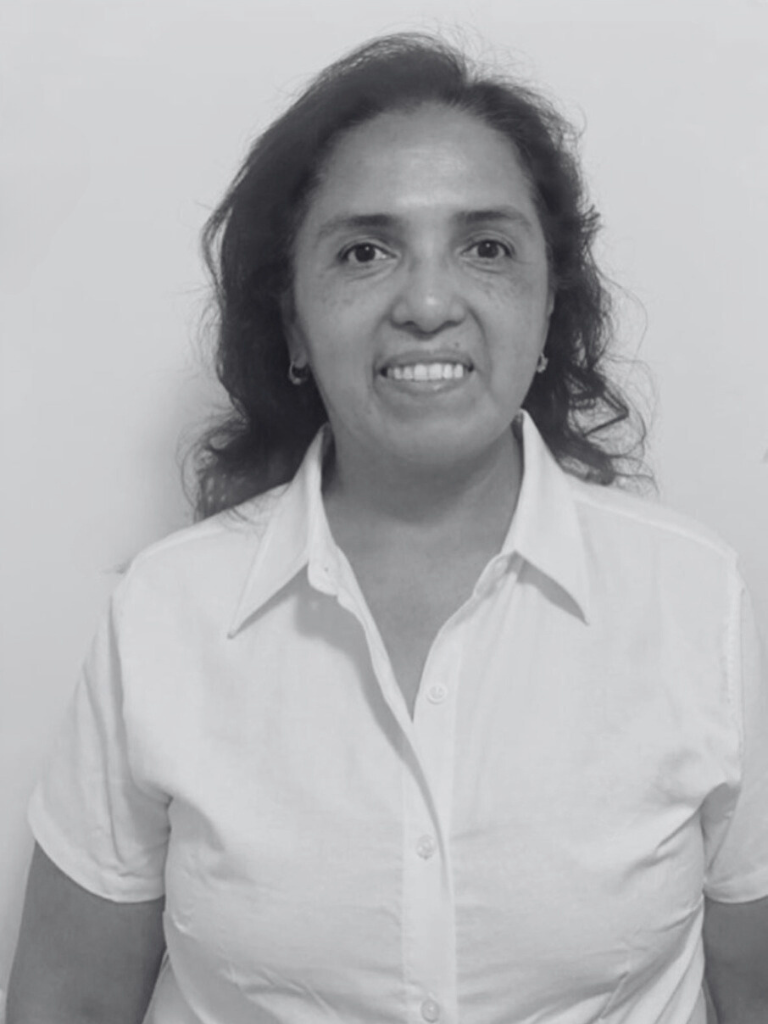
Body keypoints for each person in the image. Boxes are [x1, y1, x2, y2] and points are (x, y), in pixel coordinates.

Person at [7, 32, 768, 1024]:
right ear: (291, 321)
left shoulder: (695, 603)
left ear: (550, 306)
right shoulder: (165, 613)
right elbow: (68, 997)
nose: (428, 303)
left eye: (486, 248)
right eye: (365, 252)